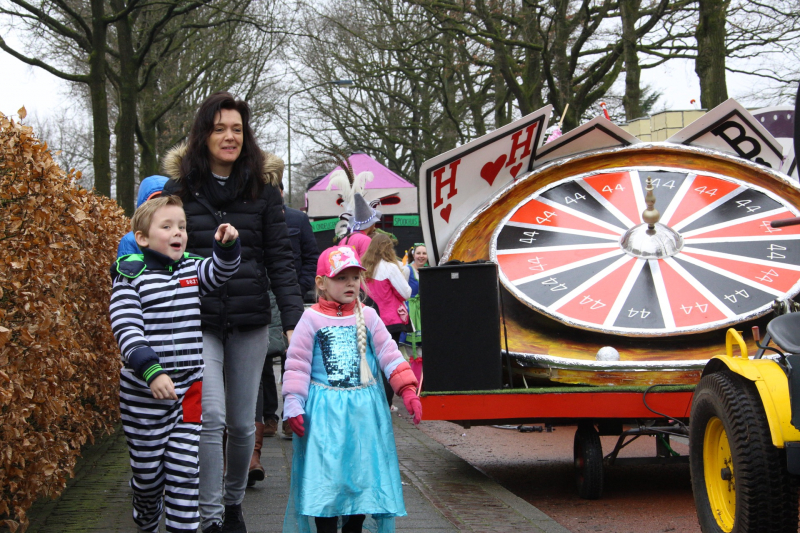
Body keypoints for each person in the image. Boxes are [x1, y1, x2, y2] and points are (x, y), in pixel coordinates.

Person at [161, 91, 304, 533]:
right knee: (211, 418)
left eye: (237, 129)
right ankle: (208, 518)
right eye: (220, 128)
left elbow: (280, 259)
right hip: (196, 320)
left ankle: (233, 503)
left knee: (245, 425)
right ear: (203, 135)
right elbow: (163, 256)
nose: (229, 136)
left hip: (249, 320)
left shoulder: (263, 193)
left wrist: (297, 320)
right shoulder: (178, 192)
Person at [109, 195, 241, 533]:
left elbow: (219, 272)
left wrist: (226, 247)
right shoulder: (130, 275)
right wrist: (151, 372)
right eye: (166, 226)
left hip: (189, 390)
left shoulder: (190, 268)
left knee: (185, 473)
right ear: (142, 237)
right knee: (149, 475)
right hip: (143, 394)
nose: (177, 232)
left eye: (181, 226)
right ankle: (147, 512)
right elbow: (126, 329)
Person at [281, 245, 422, 533]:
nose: (350, 284)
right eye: (341, 278)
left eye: (355, 277)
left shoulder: (369, 316)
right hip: (324, 415)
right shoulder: (310, 319)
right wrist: (294, 402)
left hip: (363, 414)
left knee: (363, 474)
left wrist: (407, 388)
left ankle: (354, 527)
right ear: (321, 283)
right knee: (327, 476)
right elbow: (297, 365)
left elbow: (389, 353)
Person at [250, 182, 319, 482]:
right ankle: (269, 418)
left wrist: (301, 288)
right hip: (261, 297)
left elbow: (309, 255)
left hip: (290, 298)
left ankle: (293, 417)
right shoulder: (251, 215)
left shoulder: (297, 219)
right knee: (262, 361)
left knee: (295, 357)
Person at [361, 234, 412, 407]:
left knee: (369, 360)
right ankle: (385, 402)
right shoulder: (390, 268)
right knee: (388, 362)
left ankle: (369, 400)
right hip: (390, 321)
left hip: (367, 319)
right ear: (387, 248)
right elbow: (406, 293)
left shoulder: (362, 267)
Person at [116, 175, 168, 257]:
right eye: (155, 204)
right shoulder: (131, 240)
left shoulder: (181, 235)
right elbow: (128, 268)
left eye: (166, 204)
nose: (161, 209)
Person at [400, 243, 427, 382]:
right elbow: (401, 290)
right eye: (419, 253)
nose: (421, 256)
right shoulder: (407, 270)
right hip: (411, 311)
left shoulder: (429, 270)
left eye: (424, 253)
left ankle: (423, 381)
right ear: (413, 254)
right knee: (412, 350)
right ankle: (413, 381)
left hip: (424, 311)